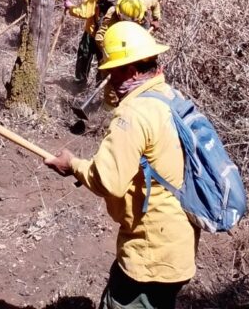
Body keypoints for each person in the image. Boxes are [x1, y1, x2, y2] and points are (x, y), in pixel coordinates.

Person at [45, 21, 198, 309]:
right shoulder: (170, 97)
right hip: (177, 243)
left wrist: (73, 165)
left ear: (131, 69)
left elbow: (109, 181)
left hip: (150, 253)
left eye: (113, 71)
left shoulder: (134, 113)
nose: (109, 79)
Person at [65, 0, 122, 83]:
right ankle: (100, 85)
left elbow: (85, 13)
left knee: (84, 56)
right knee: (103, 62)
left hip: (92, 32)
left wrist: (70, 8)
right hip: (108, 34)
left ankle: (79, 83)